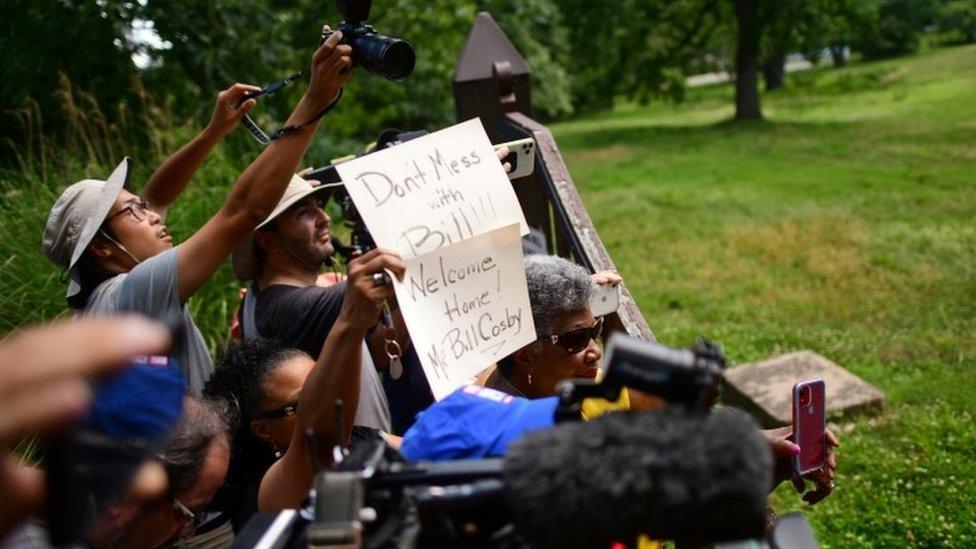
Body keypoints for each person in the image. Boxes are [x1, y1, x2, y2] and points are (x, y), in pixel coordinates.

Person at [41, 30, 354, 393]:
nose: (153, 215)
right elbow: (244, 211)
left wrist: (214, 131)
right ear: (101, 248)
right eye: (134, 211)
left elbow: (156, 196)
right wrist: (317, 98)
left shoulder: (103, 302)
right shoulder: (132, 294)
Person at [230, 145, 515, 431]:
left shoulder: (269, 298)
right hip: (342, 465)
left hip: (358, 456)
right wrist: (464, 198)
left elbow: (380, 354)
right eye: (304, 212)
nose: (324, 218)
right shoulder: (286, 309)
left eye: (319, 206)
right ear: (267, 242)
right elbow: (373, 279)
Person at [211, 249, 405, 516]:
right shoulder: (267, 491)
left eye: (319, 382)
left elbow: (432, 449)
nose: (325, 399)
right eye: (305, 400)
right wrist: (350, 322)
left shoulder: (359, 439)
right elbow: (321, 441)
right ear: (263, 430)